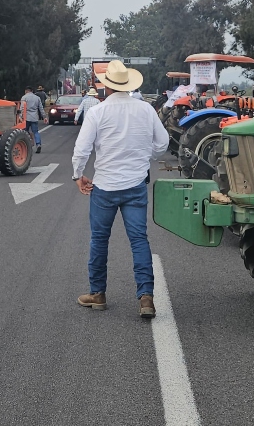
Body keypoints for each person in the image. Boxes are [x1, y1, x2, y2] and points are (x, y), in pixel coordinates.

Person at [72, 60, 170, 319]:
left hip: (104, 187)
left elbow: (82, 149)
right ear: (128, 84)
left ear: (106, 86)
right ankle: (146, 298)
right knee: (139, 240)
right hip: (135, 185)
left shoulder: (97, 112)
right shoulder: (146, 109)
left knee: (99, 240)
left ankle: (98, 294)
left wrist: (78, 175)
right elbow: (162, 143)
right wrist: (145, 156)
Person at [21, 86, 48, 154]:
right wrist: (44, 117)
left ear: (26, 91)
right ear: (32, 91)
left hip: (26, 117)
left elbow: (22, 108)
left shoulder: (24, 97)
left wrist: (20, 117)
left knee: (25, 132)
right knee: (35, 132)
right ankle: (38, 144)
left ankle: (26, 145)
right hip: (34, 117)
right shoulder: (37, 98)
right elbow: (41, 108)